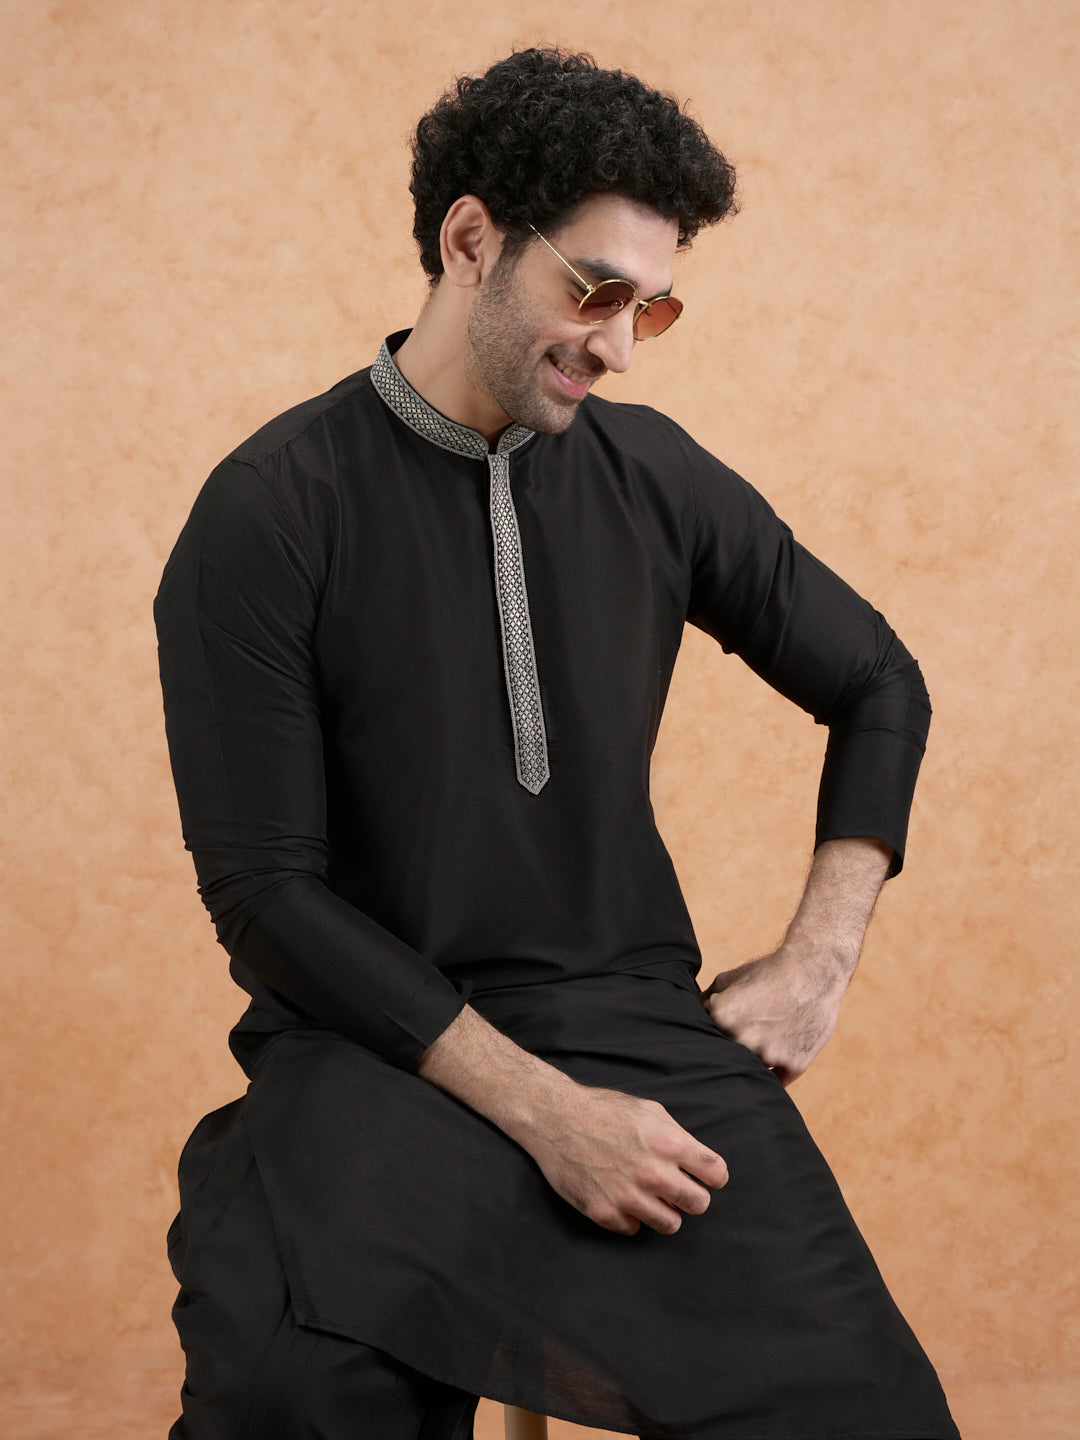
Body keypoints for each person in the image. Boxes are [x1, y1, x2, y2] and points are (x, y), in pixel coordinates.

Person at [155, 47, 960, 1440]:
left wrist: (819, 960)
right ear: (472, 241)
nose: (620, 346)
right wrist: (548, 1115)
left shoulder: (656, 476)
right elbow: (267, 897)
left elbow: (880, 680)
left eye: (653, 306)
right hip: (368, 1048)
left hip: (633, 1026)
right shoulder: (273, 508)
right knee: (296, 1393)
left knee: (860, 1410)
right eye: (594, 291)